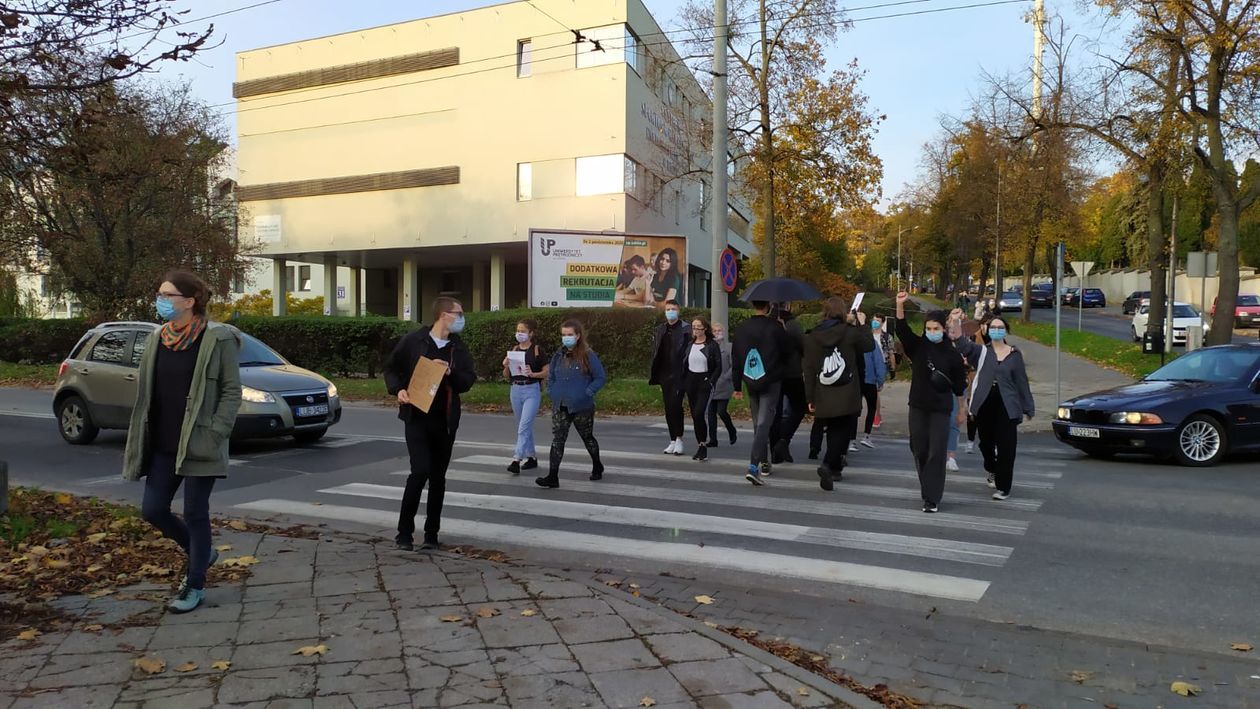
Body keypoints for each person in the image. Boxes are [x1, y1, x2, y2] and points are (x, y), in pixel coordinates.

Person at [122, 270, 242, 614]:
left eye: (167, 295)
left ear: (189, 302)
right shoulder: (157, 337)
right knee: (153, 510)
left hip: (200, 440)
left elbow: (231, 391)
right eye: (159, 293)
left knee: (195, 512)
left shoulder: (217, 339)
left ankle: (195, 585)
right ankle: (202, 554)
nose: (160, 301)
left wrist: (217, 431)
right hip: (162, 439)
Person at [384, 297, 477, 551]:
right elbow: (392, 369)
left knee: (438, 477)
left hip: (444, 420)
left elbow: (468, 380)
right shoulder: (414, 341)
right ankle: (404, 533)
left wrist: (450, 373)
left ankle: (431, 534)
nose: (461, 318)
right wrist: (398, 389)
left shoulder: (457, 348)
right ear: (443, 315)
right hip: (416, 417)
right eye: (458, 313)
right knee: (420, 471)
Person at [894, 292, 968, 513]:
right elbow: (901, 330)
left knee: (937, 451)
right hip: (917, 406)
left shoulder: (952, 355)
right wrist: (899, 304)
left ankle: (931, 497)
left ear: (943, 330)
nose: (932, 333)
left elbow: (959, 386)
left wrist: (962, 409)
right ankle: (927, 488)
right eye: (929, 329)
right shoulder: (918, 346)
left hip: (940, 409)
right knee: (920, 450)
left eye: (936, 329)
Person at [803, 297, 875, 491]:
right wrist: (862, 323)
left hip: (823, 390)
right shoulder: (849, 333)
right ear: (843, 313)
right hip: (847, 390)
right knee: (842, 431)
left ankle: (834, 468)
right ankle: (828, 464)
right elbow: (869, 345)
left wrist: (809, 397)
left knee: (833, 429)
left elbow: (808, 369)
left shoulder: (812, 337)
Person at [966, 317, 1035, 500]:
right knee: (985, 443)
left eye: (1000, 327)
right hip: (985, 402)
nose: (996, 330)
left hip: (1007, 404)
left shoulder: (1014, 354)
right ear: (988, 330)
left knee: (1006, 446)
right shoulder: (982, 352)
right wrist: (956, 326)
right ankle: (991, 468)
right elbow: (964, 348)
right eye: (993, 327)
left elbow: (1021, 381)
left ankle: (1003, 487)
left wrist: (1028, 407)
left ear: (1006, 331)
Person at [536, 320, 606, 488]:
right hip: (560, 404)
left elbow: (600, 377)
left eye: (570, 335)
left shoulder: (588, 355)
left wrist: (587, 392)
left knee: (587, 437)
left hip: (582, 405)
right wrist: (551, 391)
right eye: (563, 335)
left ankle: (597, 465)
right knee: (558, 439)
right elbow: (551, 376)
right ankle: (553, 476)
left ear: (578, 336)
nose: (566, 338)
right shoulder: (558, 355)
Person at [731, 300, 792, 486]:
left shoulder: (741, 328)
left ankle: (764, 462)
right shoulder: (775, 327)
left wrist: (736, 386)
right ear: (767, 307)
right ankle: (753, 466)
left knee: (758, 423)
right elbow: (787, 352)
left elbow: (736, 358)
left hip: (750, 379)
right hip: (771, 380)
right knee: (765, 423)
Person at [502, 319, 548, 475]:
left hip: (531, 389)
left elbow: (547, 371)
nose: (519, 334)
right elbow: (506, 375)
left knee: (524, 425)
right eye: (518, 330)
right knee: (523, 426)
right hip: (515, 389)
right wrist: (506, 365)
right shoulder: (514, 350)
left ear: (531, 333)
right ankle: (532, 457)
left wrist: (533, 373)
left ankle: (517, 459)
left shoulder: (536, 350)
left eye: (523, 331)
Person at [649, 300, 692, 455]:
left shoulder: (686, 329)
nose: (670, 311)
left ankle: (679, 438)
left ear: (678, 310)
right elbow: (656, 351)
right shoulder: (660, 329)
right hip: (664, 374)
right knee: (668, 407)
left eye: (673, 309)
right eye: (668, 309)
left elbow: (688, 351)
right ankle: (672, 439)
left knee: (676, 406)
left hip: (680, 374)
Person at [770, 303, 807, 464]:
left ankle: (775, 452)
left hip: (772, 373)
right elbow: (804, 346)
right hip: (792, 373)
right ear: (788, 306)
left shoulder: (767, 324)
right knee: (799, 408)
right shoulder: (792, 325)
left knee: (775, 414)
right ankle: (784, 440)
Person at [682, 316, 723, 460]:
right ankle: (700, 444)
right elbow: (685, 364)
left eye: (698, 327)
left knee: (699, 413)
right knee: (695, 415)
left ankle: (703, 444)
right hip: (691, 381)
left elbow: (718, 367)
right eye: (693, 327)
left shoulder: (712, 345)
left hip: (704, 381)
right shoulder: (690, 344)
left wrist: (711, 381)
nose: (695, 330)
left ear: (705, 328)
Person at [705, 322, 738, 448]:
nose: (717, 333)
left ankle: (731, 429)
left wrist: (725, 377)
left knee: (722, 411)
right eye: (715, 331)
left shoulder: (729, 347)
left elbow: (733, 365)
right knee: (710, 413)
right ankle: (713, 439)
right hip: (711, 384)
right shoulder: (708, 346)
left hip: (724, 384)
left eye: (720, 330)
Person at [858, 316, 888, 449]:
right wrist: (880, 380)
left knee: (854, 410)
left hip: (856, 381)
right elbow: (878, 363)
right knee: (871, 408)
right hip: (870, 380)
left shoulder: (853, 342)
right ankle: (866, 435)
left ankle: (852, 439)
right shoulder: (872, 344)